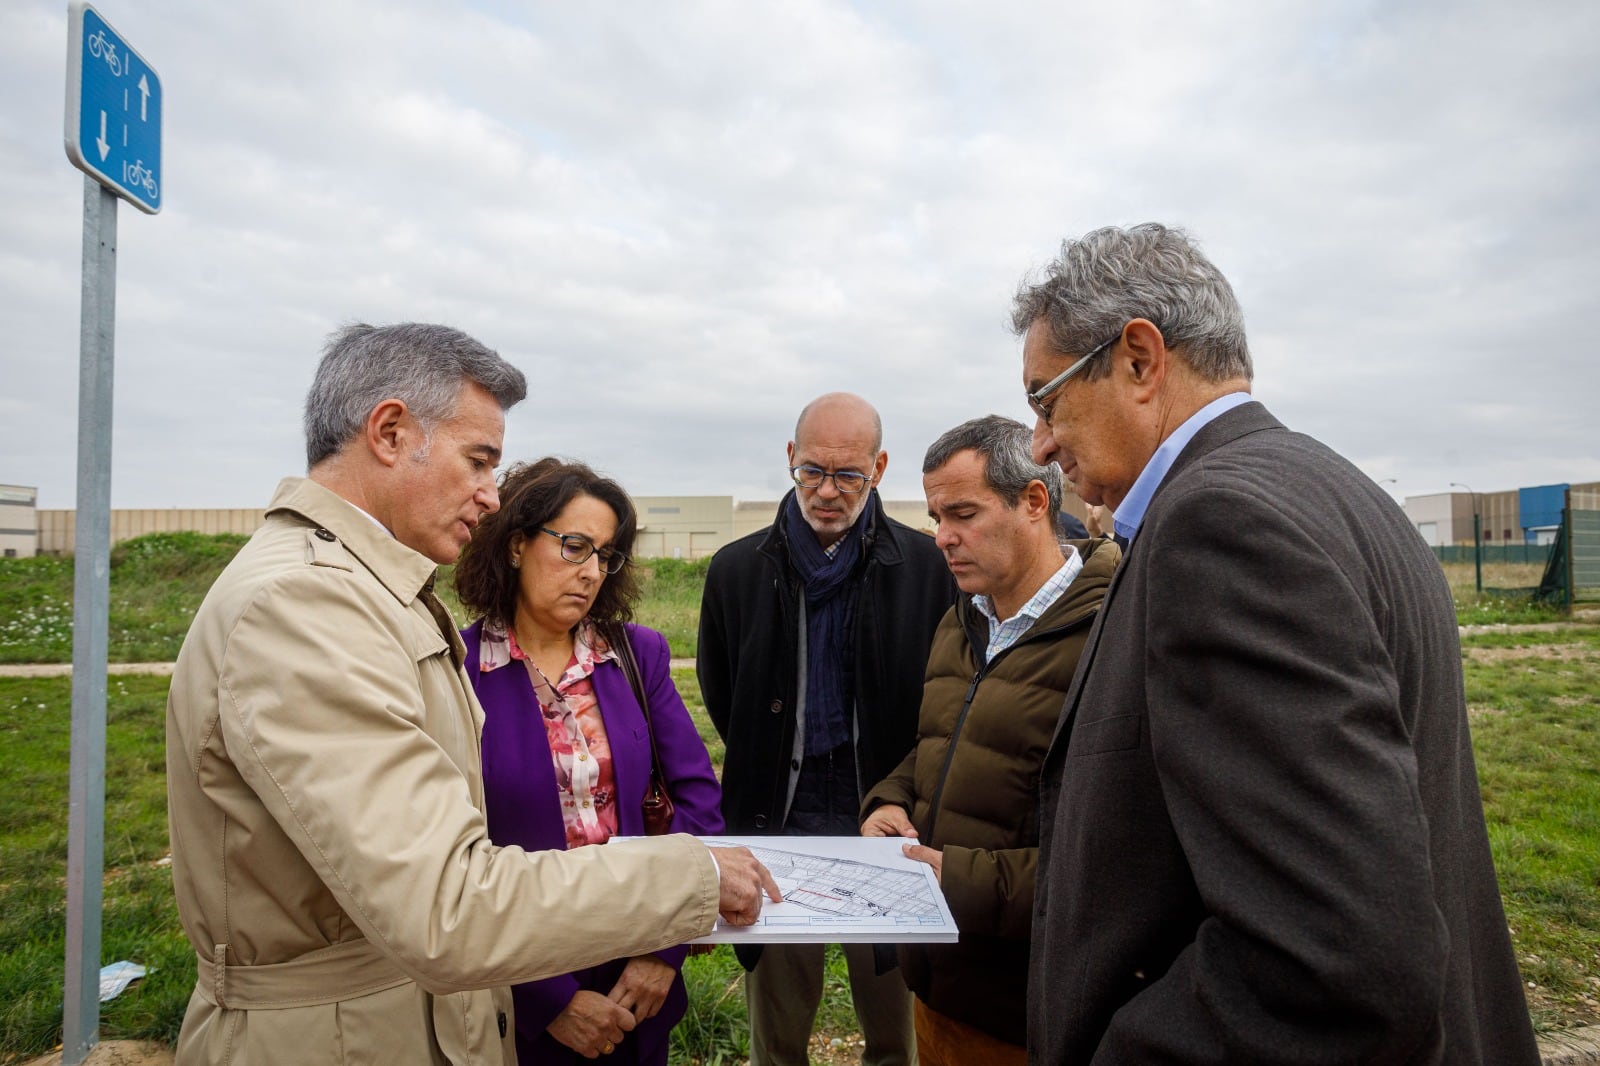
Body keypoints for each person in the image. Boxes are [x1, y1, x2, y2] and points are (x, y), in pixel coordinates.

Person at [166, 322, 777, 1066]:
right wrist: (694, 876)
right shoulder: (304, 604)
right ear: (389, 431)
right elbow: (447, 902)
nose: (491, 496)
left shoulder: (364, 593)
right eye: (479, 460)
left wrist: (660, 942)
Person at [1015, 225, 1540, 1063]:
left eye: (1047, 401)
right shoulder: (1340, 489)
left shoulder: (1219, 524)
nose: (1040, 444)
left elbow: (1335, 967)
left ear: (1141, 360)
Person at [697, 392, 956, 1066]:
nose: (828, 491)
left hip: (887, 813)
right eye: (812, 471)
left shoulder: (927, 570)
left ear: (880, 468)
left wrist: (900, 789)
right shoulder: (735, 571)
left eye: (849, 476)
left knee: (894, 1027)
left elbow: (944, 696)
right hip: (777, 817)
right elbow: (724, 694)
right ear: (790, 458)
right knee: (777, 1032)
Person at [860, 415, 1118, 1065]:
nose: (941, 538)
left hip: (1031, 1014)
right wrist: (888, 802)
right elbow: (943, 745)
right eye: (935, 515)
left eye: (963, 514)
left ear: (1034, 501)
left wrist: (959, 881)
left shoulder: (1113, 635)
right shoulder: (962, 618)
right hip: (938, 989)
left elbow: (1118, 856)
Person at [453, 457, 725, 1065]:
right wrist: (545, 1002)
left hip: (638, 976)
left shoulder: (637, 654)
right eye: (574, 547)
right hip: (518, 977)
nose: (591, 572)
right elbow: (446, 858)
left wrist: (664, 952)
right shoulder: (457, 669)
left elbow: (698, 802)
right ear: (517, 544)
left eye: (605, 556)